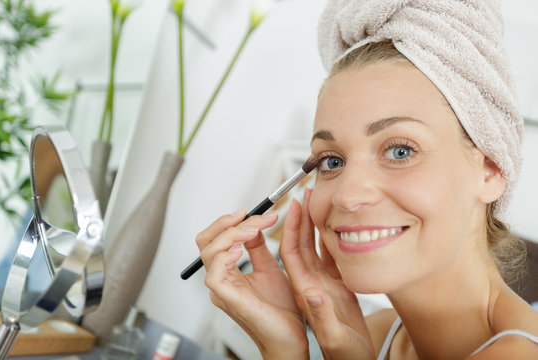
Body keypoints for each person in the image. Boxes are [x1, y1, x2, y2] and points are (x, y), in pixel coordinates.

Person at [196, 0, 538, 358]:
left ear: (490, 170)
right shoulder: (372, 337)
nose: (347, 195)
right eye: (332, 160)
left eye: (400, 151)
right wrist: (282, 346)